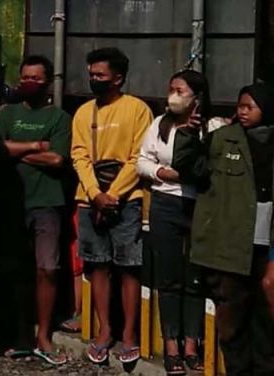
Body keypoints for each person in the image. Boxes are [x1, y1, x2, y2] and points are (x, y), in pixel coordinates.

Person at [173, 82, 274, 376]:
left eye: (249, 107)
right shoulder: (222, 139)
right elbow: (189, 166)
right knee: (232, 324)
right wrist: (189, 134)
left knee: (265, 324)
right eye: (239, 106)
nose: (241, 112)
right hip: (230, 249)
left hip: (265, 248)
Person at [69, 47, 151, 366]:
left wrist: (113, 194)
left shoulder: (137, 110)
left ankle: (129, 334)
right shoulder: (83, 112)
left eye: (100, 75)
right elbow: (79, 155)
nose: (94, 80)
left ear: (118, 78)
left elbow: (137, 157)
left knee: (129, 266)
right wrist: (94, 193)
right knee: (97, 265)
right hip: (89, 199)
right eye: (91, 75)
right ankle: (105, 331)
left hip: (126, 199)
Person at [0, 54, 71, 366]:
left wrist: (17, 150)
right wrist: (36, 147)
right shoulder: (7, 113)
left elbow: (57, 160)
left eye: (35, 78)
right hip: (13, 202)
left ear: (48, 82)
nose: (28, 83)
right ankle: (21, 334)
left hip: (47, 202)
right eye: (25, 77)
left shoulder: (59, 118)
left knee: (48, 269)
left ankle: (44, 334)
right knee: (17, 270)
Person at [137, 71, 211, 375]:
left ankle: (192, 343)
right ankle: (171, 343)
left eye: (180, 90)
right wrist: (160, 173)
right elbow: (142, 160)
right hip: (165, 203)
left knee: (194, 277)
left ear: (197, 97)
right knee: (168, 276)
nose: (173, 96)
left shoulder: (211, 128)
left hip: (199, 205)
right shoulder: (159, 124)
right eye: (171, 90)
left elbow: (205, 167)